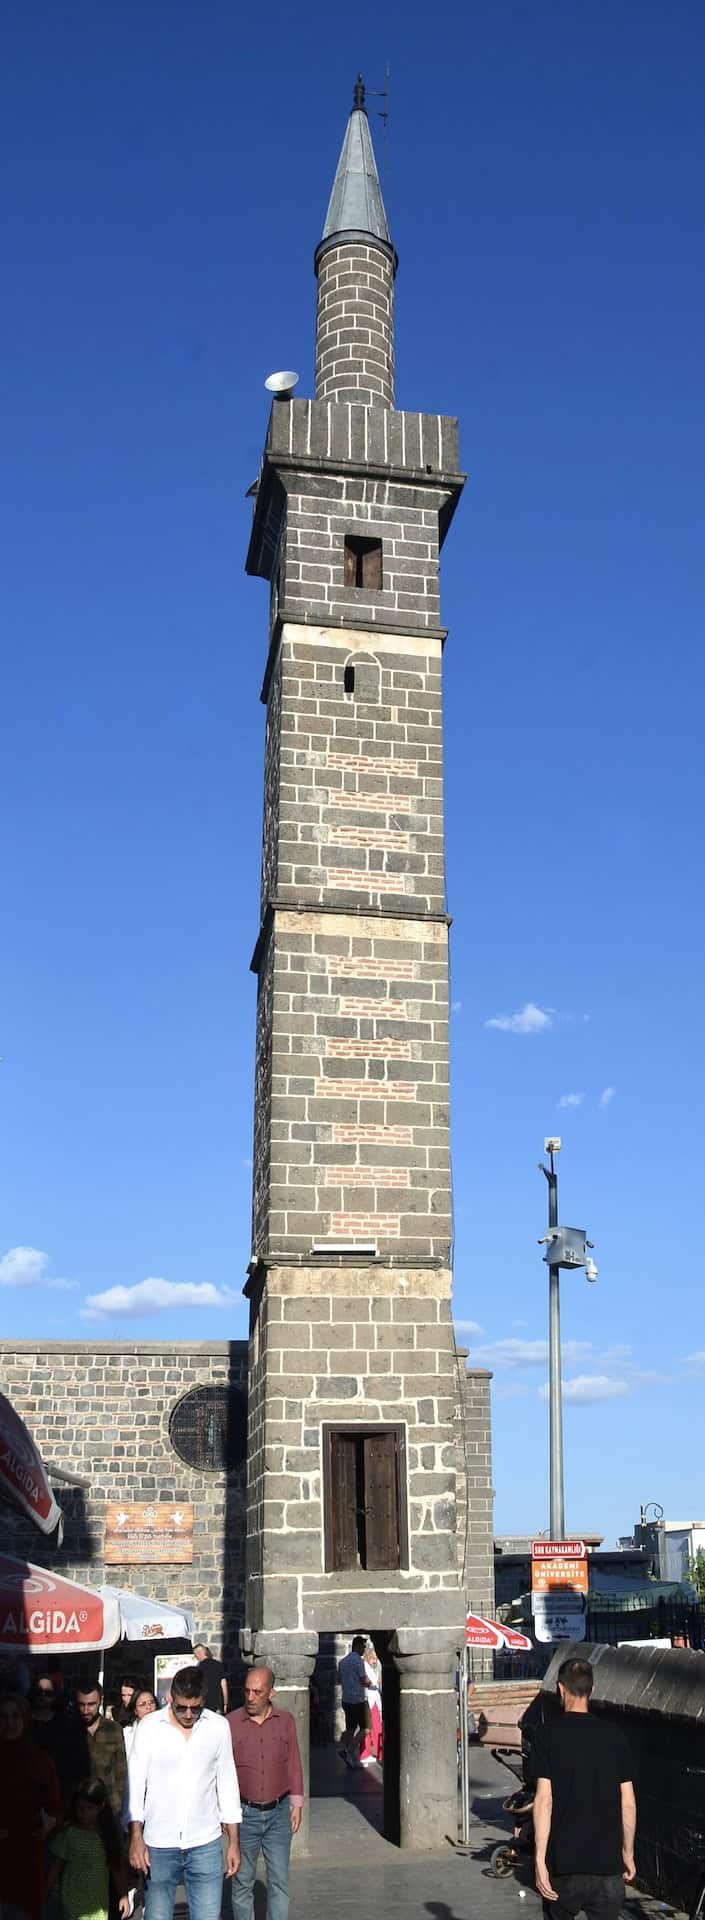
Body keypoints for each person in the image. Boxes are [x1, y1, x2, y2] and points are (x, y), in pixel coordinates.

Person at [127, 1663, 241, 1920]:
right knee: (156, 1916)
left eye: (196, 1707)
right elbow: (135, 1784)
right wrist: (135, 1835)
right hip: (158, 1843)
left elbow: (227, 1783)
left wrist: (234, 1842)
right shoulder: (149, 1727)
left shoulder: (218, 1727)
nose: (189, 1714)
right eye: (181, 1707)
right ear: (170, 1698)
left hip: (206, 1842)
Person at [533, 1656, 637, 1920]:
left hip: (564, 1864)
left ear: (560, 1688)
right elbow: (627, 1802)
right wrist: (628, 1853)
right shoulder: (615, 1735)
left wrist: (539, 1858)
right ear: (592, 1690)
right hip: (608, 1865)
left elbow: (544, 1800)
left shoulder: (546, 1735)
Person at [228, 1667, 303, 1920]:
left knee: (280, 1881)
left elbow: (293, 1761)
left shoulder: (286, 1721)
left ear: (271, 1692)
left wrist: (297, 1803)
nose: (250, 1697)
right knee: (242, 1883)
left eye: (257, 1692)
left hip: (279, 1813)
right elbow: (222, 1771)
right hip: (244, 1814)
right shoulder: (230, 1723)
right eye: (247, 1691)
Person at [0, 1690, 61, 1920]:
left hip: (29, 1853)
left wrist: (49, 1823)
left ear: (25, 1719)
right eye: (3, 1716)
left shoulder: (40, 1759)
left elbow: (56, 1806)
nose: (9, 1723)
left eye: (15, 1716)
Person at [48, 1778, 130, 1920]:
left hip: (98, 1907)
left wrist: (124, 1895)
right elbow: (56, 1866)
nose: (84, 1813)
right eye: (80, 1808)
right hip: (71, 1905)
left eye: (90, 1808)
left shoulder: (106, 1835)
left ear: (101, 1807)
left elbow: (116, 1867)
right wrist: (45, 1890)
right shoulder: (69, 1833)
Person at [29, 1674, 88, 1811]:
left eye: (48, 1693)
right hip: (27, 1783)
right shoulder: (22, 1721)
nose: (43, 1696)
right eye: (39, 1692)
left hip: (58, 1785)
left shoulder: (65, 1723)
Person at [75, 1684, 127, 1825]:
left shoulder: (114, 1729)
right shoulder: (70, 1729)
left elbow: (121, 1770)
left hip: (109, 1807)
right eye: (82, 1705)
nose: (86, 1710)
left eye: (91, 1704)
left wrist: (119, 1803)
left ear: (101, 1700)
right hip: (78, 1810)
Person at [337, 1636, 368, 1767]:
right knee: (366, 1728)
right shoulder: (358, 1661)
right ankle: (349, 1750)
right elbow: (363, 1680)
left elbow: (339, 1680)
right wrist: (372, 1685)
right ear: (358, 1646)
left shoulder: (342, 1662)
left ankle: (352, 1758)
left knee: (350, 1728)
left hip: (346, 1699)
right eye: (363, 1647)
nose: (365, 1649)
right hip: (358, 1700)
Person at [359, 1642, 383, 1766]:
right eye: (373, 1658)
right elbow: (369, 1683)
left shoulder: (369, 1667)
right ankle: (372, 1753)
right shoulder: (365, 1666)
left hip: (372, 1699)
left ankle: (368, 1752)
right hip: (371, 1699)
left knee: (371, 1728)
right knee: (374, 1727)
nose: (375, 1661)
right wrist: (375, 1684)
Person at [122, 1692, 158, 1765]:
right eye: (143, 1704)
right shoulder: (126, 1734)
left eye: (152, 1703)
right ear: (135, 1710)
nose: (148, 1707)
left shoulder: (165, 1731)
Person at [193, 1645, 229, 1715]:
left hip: (204, 1706)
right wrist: (225, 1703)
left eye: (195, 1655)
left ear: (199, 1653)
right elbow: (224, 1686)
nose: (196, 1657)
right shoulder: (218, 1665)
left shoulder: (198, 1669)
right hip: (218, 1705)